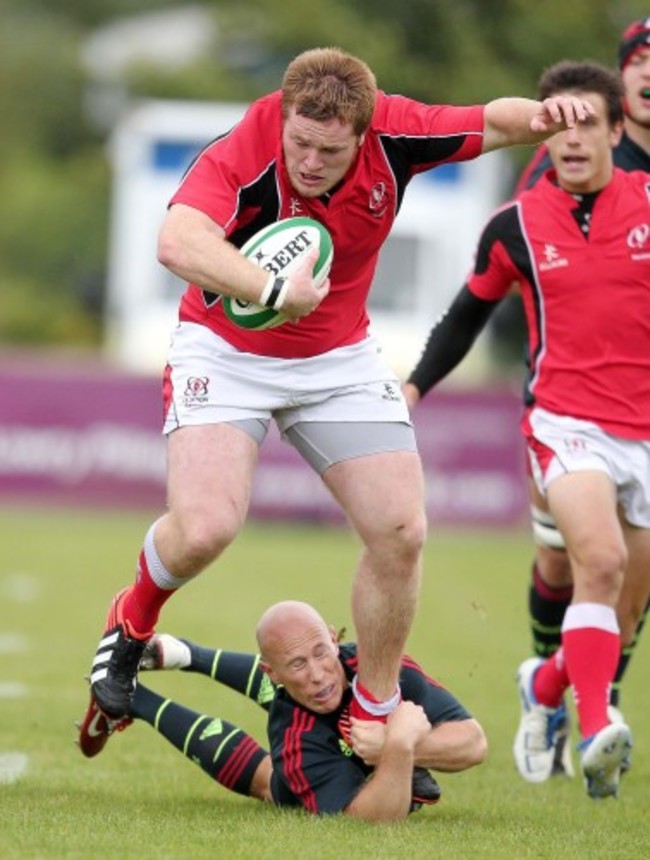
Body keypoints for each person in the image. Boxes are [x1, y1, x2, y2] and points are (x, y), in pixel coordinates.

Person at [78, 46, 594, 754]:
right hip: (224, 352)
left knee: (401, 529)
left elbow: (496, 122)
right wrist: (269, 288)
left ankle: (373, 711)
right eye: (300, 142)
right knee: (204, 529)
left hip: (338, 357)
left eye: (330, 150)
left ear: (363, 133)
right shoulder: (246, 147)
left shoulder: (398, 132)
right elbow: (177, 241)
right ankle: (132, 623)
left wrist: (545, 116)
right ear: (285, 117)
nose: (311, 161)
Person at [403, 60, 650, 799]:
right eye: (557, 124)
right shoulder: (513, 226)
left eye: (587, 123)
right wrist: (413, 388)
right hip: (565, 423)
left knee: (623, 613)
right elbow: (465, 317)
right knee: (598, 562)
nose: (570, 138)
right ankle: (595, 724)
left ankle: (543, 687)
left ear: (616, 130)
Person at [510, 17, 650, 745]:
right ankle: (569, 709)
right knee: (572, 559)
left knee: (625, 585)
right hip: (565, 405)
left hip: (641, 411)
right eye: (641, 59)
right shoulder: (568, 150)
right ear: (622, 78)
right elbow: (521, 269)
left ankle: (573, 689)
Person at [78, 601, 487, 823]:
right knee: (268, 783)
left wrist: (398, 746)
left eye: (321, 652)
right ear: (271, 673)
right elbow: (374, 818)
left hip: (352, 731)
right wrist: (398, 745)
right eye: (297, 664)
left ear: (334, 638)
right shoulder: (296, 743)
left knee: (310, 687)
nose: (318, 673)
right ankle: (134, 699)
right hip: (307, 743)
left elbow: (473, 743)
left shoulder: (377, 666)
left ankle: (185, 653)